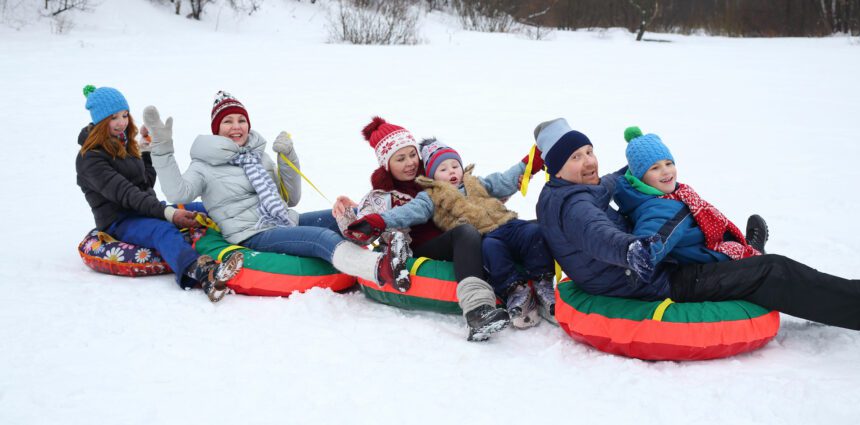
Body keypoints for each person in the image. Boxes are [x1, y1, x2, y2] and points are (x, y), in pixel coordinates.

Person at [534, 118, 860, 329]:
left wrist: (636, 169)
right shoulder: (575, 208)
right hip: (654, 282)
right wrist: (632, 250)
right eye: (576, 158)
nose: (588, 162)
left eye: (589, 151)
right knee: (772, 271)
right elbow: (596, 234)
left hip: (646, 273)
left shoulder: (566, 192)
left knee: (739, 259)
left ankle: (747, 256)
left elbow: (607, 185)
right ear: (557, 168)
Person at [143, 91, 396, 288]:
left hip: (282, 220)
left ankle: (395, 244)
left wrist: (288, 157)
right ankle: (380, 268)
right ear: (216, 130)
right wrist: (162, 149)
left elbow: (290, 199)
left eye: (241, 120)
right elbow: (178, 194)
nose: (236, 127)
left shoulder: (258, 157)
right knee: (322, 238)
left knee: (344, 214)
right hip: (250, 233)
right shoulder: (203, 165)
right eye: (228, 121)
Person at [345, 137, 554, 329]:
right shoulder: (430, 196)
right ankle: (515, 294)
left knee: (535, 231)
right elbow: (409, 212)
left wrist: (530, 162)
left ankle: (543, 283)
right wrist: (380, 221)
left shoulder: (477, 183)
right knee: (491, 249)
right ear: (431, 175)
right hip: (486, 237)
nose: (452, 171)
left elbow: (505, 179)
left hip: (507, 223)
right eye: (443, 169)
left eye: (455, 166)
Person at [334, 117, 509, 341]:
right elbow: (361, 232)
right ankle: (477, 313)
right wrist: (348, 215)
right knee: (465, 233)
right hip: (421, 248)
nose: (410, 163)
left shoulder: (433, 175)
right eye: (400, 158)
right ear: (387, 164)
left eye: (412, 154)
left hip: (454, 235)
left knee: (501, 231)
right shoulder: (381, 196)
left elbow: (469, 191)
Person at [75, 85, 243, 302]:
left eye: (125, 115)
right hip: (121, 220)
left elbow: (145, 184)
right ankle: (204, 274)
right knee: (162, 230)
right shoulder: (90, 159)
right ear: (99, 121)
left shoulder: (123, 142)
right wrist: (169, 214)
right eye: (113, 117)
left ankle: (251, 234)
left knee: (206, 208)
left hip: (145, 207)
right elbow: (127, 194)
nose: (121, 122)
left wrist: (146, 151)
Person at [612, 126, 766, 266]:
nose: (666, 171)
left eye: (668, 163)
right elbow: (649, 240)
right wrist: (641, 255)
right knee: (773, 266)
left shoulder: (671, 194)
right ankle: (751, 255)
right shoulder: (657, 207)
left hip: (702, 246)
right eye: (654, 168)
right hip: (707, 260)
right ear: (640, 178)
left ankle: (746, 246)